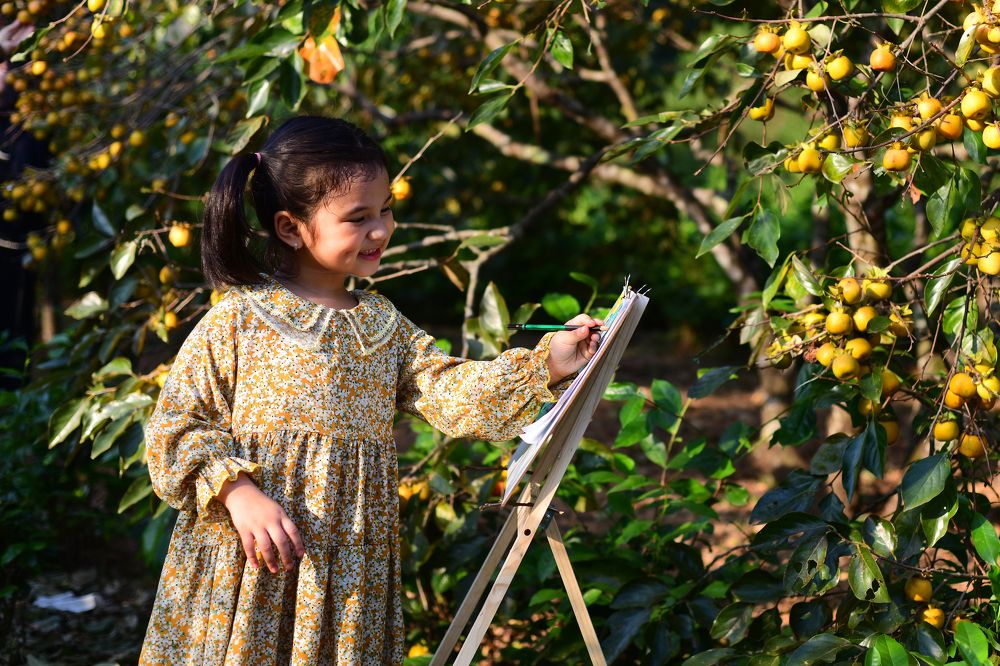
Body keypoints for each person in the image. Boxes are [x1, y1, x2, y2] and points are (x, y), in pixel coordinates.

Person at [139, 115, 602, 665]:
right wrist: (238, 493)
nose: (380, 230)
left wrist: (547, 363)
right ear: (291, 227)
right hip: (252, 562)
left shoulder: (384, 326)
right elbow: (176, 428)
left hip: (345, 572)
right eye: (358, 218)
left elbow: (449, 390)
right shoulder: (240, 320)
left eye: (385, 210)